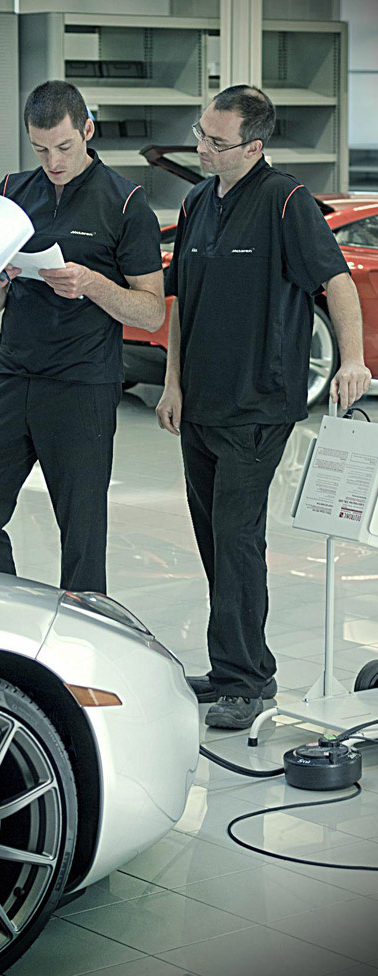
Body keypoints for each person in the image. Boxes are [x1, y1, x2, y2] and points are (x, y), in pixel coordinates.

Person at [155, 84, 371, 730]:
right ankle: (232, 669)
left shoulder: (285, 202)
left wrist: (352, 360)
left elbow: (336, 281)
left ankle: (248, 680)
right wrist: (171, 382)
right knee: (211, 539)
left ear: (253, 147)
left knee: (236, 537)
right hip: (200, 404)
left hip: (257, 404)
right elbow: (180, 302)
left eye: (216, 141)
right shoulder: (197, 202)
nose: (201, 148)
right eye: (201, 133)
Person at [0, 80, 165, 593]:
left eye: (63, 147)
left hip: (82, 383)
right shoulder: (10, 193)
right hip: (11, 374)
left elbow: (152, 311)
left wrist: (92, 284)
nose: (53, 162)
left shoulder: (126, 203)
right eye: (40, 150)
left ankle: (83, 634)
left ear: (87, 130)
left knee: (81, 533)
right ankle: (5, 615)